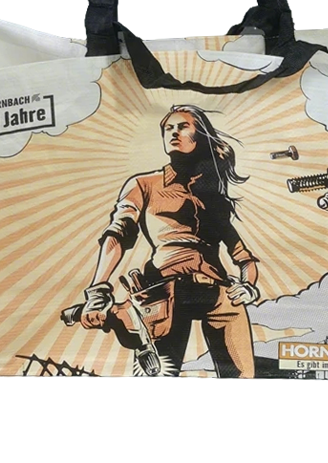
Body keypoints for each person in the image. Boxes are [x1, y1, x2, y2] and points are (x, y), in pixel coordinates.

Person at [80, 104, 260, 377]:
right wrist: (97, 291)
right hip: (164, 292)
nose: (174, 133)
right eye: (168, 128)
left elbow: (243, 257)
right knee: (157, 378)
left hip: (219, 294)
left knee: (244, 381)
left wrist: (248, 286)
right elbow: (118, 234)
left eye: (183, 126)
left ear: (200, 135)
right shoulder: (144, 184)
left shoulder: (214, 197)